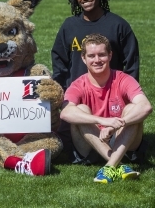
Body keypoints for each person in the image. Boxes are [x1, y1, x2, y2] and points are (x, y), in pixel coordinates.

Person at [51, 0, 140, 157]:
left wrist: (127, 96)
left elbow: (131, 66)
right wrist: (64, 97)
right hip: (80, 98)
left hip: (112, 101)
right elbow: (59, 64)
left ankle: (111, 156)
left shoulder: (118, 25)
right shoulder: (69, 26)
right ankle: (110, 158)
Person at [60, 34, 152, 183]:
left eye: (102, 55)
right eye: (91, 56)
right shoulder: (78, 84)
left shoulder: (123, 79)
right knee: (80, 109)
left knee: (132, 109)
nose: (97, 60)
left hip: (123, 142)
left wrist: (117, 124)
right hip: (90, 143)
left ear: (110, 55)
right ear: (84, 58)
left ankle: (109, 166)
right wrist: (102, 121)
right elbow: (65, 113)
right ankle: (119, 165)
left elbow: (145, 106)